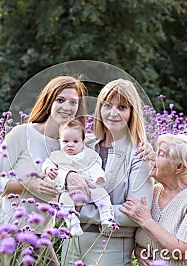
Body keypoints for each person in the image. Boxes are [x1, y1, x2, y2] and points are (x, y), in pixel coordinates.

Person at [0, 76, 88, 266]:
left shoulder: (73, 146)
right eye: (60, 100)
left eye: (73, 102)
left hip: (41, 236)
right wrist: (28, 185)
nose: (66, 107)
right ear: (49, 101)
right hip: (9, 232)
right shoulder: (21, 134)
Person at [61, 79, 154, 266]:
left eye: (122, 107)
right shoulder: (83, 144)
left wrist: (79, 211)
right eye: (107, 105)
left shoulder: (139, 154)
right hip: (71, 242)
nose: (113, 113)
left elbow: (134, 213)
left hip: (111, 245)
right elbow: (57, 181)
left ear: (132, 113)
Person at [120, 133, 187, 266]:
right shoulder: (154, 191)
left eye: (160, 154)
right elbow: (148, 240)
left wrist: (146, 221)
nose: (152, 157)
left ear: (178, 167)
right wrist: (139, 251)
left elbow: (183, 253)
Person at [42, 119, 116, 236]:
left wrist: (99, 177)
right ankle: (73, 225)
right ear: (60, 141)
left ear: (83, 142)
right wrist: (48, 169)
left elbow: (95, 167)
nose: (70, 144)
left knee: (102, 195)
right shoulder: (57, 156)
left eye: (75, 141)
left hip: (89, 188)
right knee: (64, 202)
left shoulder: (88, 155)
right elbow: (47, 163)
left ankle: (107, 218)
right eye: (65, 141)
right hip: (68, 191)